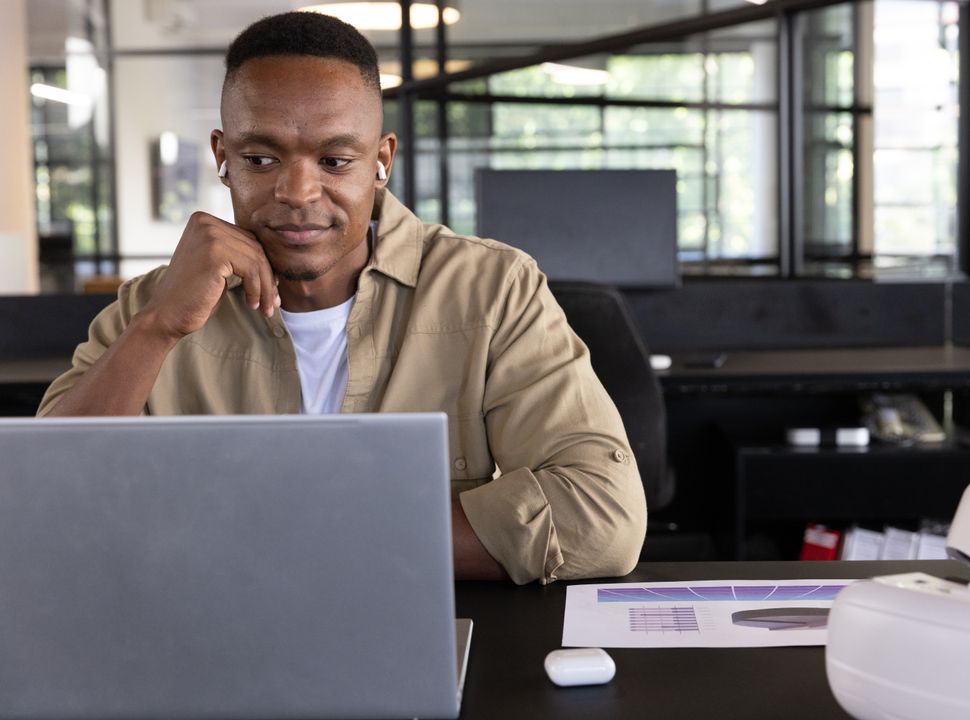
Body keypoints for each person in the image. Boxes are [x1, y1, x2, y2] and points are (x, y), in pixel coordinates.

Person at [38, 11, 646, 585]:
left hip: (423, 635)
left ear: (380, 161)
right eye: (259, 157)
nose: (299, 191)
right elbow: (43, 507)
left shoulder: (492, 290)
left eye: (334, 160)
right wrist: (157, 329)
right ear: (223, 158)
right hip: (204, 645)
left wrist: (311, 547)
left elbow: (603, 515)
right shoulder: (150, 307)